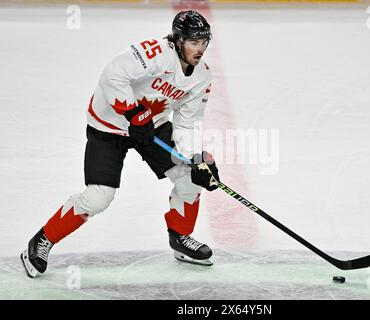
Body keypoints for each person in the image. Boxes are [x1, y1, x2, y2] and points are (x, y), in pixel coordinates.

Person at [20, 10, 220, 278]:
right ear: (177, 39)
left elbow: (187, 122)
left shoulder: (202, 77)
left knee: (189, 180)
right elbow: (112, 74)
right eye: (193, 42)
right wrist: (133, 112)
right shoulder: (155, 53)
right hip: (109, 125)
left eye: (204, 42)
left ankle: (181, 238)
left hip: (152, 126)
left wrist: (195, 160)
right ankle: (42, 240)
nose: (200, 49)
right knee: (98, 196)